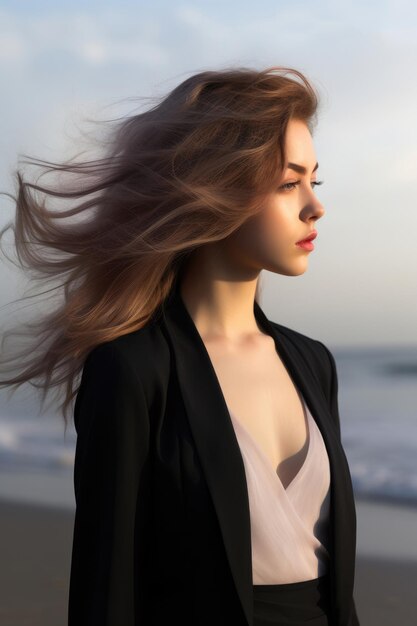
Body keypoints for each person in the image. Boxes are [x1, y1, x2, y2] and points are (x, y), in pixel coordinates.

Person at [0, 65, 360, 625]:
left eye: (316, 181)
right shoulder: (132, 368)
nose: (315, 206)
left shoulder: (313, 362)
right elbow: (106, 587)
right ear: (218, 185)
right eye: (289, 183)